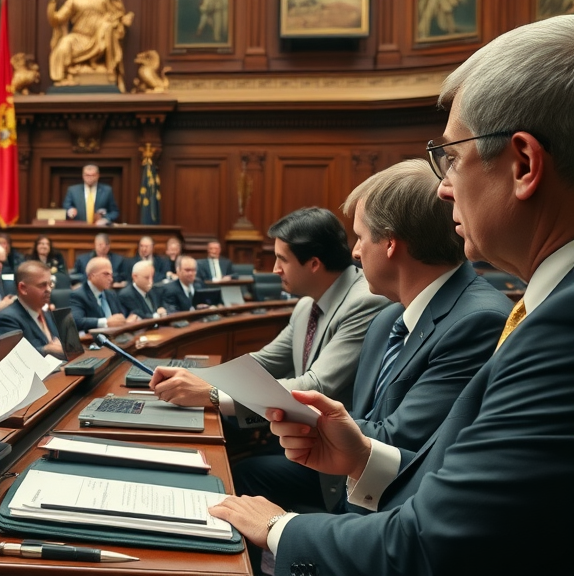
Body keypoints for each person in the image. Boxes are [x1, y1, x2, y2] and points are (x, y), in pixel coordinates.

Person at [208, 17, 574, 575]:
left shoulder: (557, 327)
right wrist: (363, 456)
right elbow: (461, 485)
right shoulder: (541, 310)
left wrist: (279, 529)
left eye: (451, 157)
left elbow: (435, 543)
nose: (443, 188)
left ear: (523, 164)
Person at [231, 159, 511, 562]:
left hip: (399, 535)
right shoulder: (387, 319)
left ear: (390, 243)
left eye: (361, 237)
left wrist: (298, 419)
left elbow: (396, 443)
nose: (355, 251)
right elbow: (366, 427)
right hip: (354, 498)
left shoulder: (477, 320)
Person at [152, 207, 389, 425]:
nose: (275, 269)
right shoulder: (307, 305)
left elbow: (315, 386)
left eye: (282, 259)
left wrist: (212, 393)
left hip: (332, 445)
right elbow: (263, 362)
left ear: (314, 264)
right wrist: (193, 377)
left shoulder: (365, 301)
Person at [47, 0, 134, 91]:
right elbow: (56, 20)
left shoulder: (105, 1)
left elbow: (116, 16)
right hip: (78, 38)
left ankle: (110, 71)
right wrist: (52, 3)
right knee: (64, 44)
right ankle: (61, 76)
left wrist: (122, 20)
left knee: (107, 27)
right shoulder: (73, 1)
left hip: (99, 38)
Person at [0, 261, 65, 359]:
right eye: (42, 285)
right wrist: (46, 349)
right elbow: (16, 357)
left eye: (50, 284)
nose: (49, 290)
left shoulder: (48, 314)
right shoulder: (7, 319)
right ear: (23, 288)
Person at [70, 256, 136, 331]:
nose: (111, 279)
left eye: (111, 275)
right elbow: (77, 321)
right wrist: (105, 322)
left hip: (115, 334)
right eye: (106, 274)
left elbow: (119, 316)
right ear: (91, 276)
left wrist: (124, 319)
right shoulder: (78, 295)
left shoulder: (111, 294)